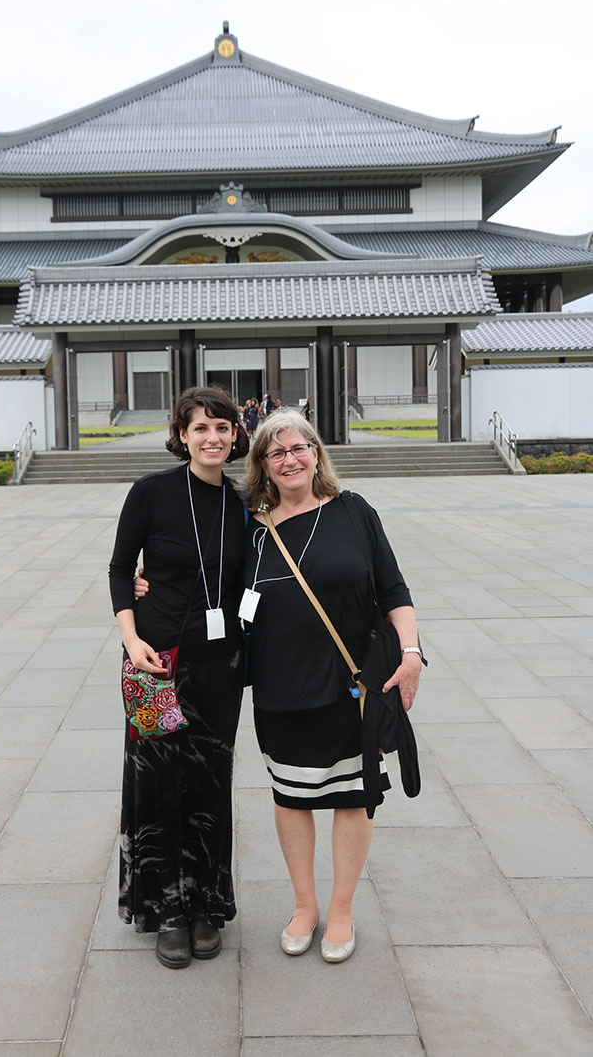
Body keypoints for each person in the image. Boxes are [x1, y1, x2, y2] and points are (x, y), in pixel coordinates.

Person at [241, 409, 421, 963]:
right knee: (291, 797)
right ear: (264, 466)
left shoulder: (353, 511)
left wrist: (411, 654)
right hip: (279, 685)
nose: (290, 459)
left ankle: (340, 908)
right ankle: (305, 905)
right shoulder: (250, 527)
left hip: (353, 683)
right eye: (277, 453)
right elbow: (200, 576)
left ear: (317, 453)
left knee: (353, 795)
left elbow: (393, 588)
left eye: (300, 448)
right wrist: (142, 580)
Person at [108, 386, 250, 969]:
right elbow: (121, 567)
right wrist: (131, 638)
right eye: (200, 428)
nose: (212, 437)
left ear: (236, 435)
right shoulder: (152, 493)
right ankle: (165, 909)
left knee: (211, 783)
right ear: (181, 435)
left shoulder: (244, 503)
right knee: (157, 782)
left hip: (221, 666)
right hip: (154, 664)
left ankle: (208, 904)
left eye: (222, 427)